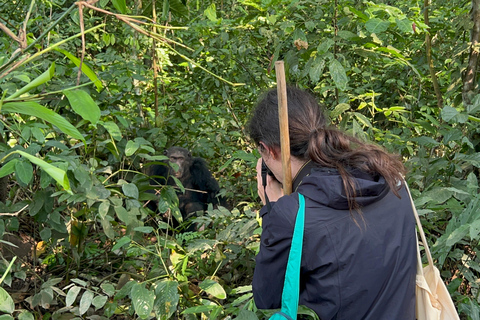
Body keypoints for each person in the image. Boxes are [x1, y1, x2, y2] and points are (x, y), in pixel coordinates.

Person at [247, 86, 417, 319]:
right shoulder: (391, 179)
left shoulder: (291, 215)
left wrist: (273, 211)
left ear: (268, 150)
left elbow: (267, 300)